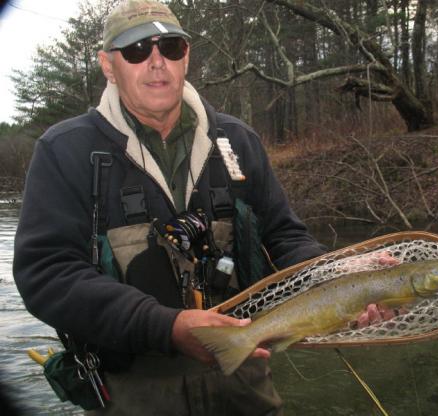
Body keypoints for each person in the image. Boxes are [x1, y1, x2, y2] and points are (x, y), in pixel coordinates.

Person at [13, 1, 326, 415]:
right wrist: (167, 328)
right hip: (133, 392)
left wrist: (334, 277)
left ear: (187, 57)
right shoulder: (64, 151)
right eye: (138, 50)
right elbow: (46, 273)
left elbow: (284, 237)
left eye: (171, 48)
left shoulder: (238, 140)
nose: (157, 62)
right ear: (108, 65)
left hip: (245, 383)